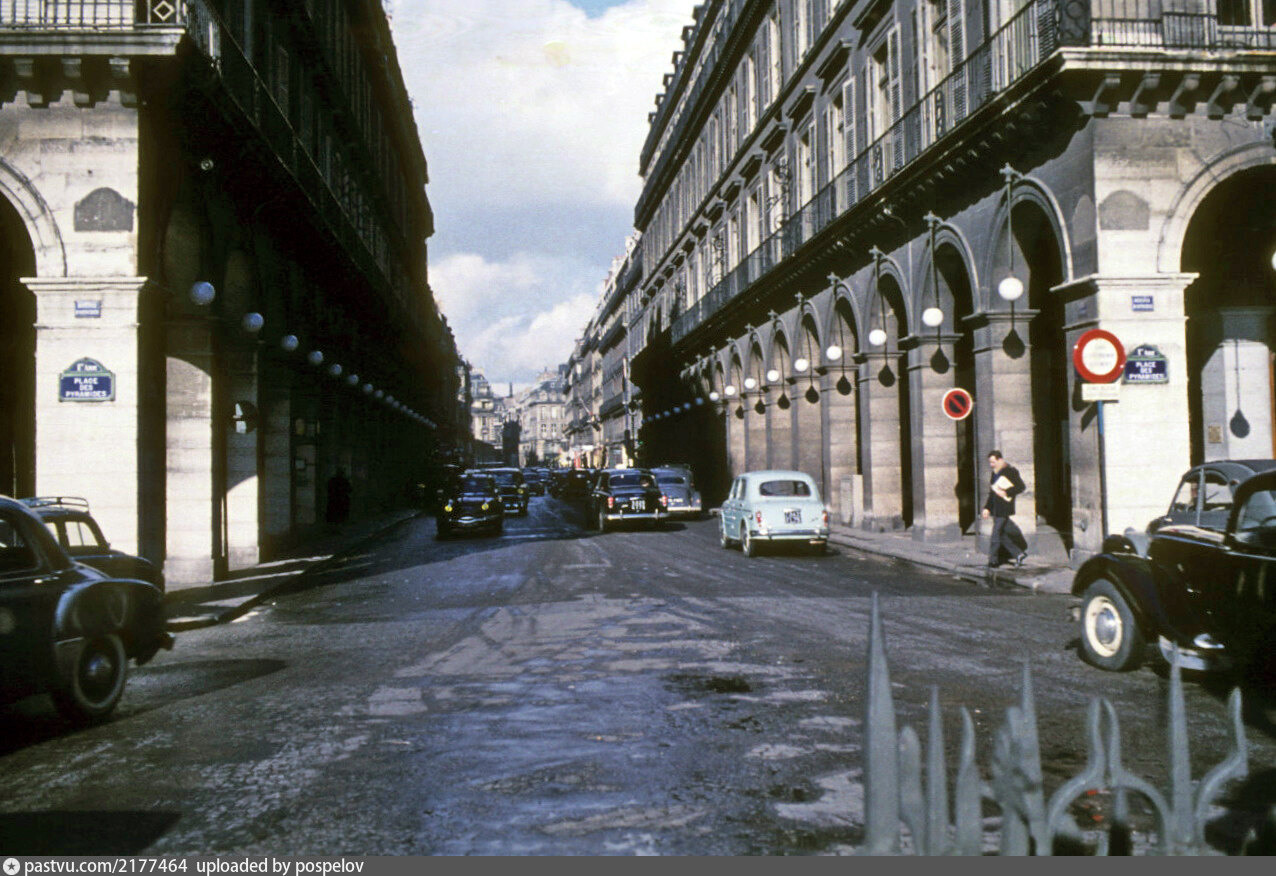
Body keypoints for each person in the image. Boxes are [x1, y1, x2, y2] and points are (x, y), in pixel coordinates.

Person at [981, 450, 1028, 568]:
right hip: (996, 508)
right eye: (990, 462)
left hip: (1004, 507)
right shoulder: (994, 473)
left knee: (995, 533)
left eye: (993, 462)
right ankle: (1018, 554)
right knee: (1001, 534)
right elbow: (992, 493)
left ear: (1000, 460)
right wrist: (987, 508)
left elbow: (1021, 487)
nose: (991, 465)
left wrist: (1006, 492)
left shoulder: (1010, 471)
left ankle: (993, 561)